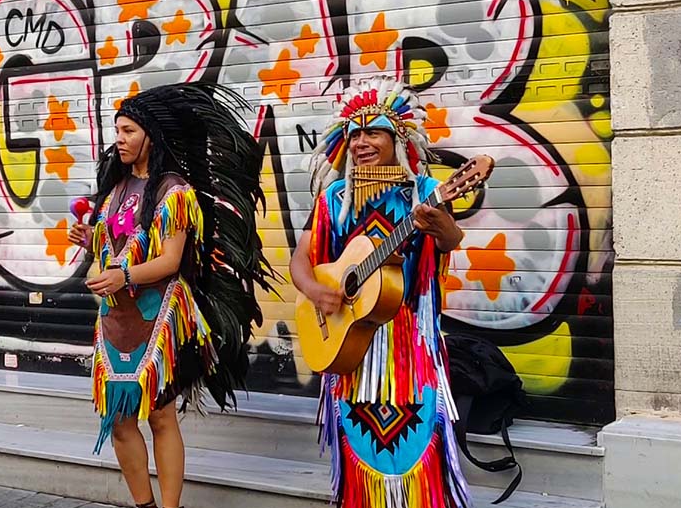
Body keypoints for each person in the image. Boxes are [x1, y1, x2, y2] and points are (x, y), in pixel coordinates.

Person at [68, 82, 273, 508]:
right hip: (115, 319)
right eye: (116, 130)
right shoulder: (116, 188)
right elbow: (119, 245)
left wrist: (123, 275)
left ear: (149, 135)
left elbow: (170, 260)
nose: (119, 139)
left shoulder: (172, 190)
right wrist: (91, 238)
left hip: (157, 317)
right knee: (119, 419)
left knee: (160, 416)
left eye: (127, 131)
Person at [290, 76, 470, 508]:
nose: (361, 142)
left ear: (399, 140)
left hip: (410, 347)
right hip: (351, 345)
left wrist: (438, 222)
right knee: (360, 456)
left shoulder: (425, 192)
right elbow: (300, 260)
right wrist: (317, 291)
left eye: (373, 132)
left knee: (419, 450)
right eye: (355, 135)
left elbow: (451, 240)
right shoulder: (335, 197)